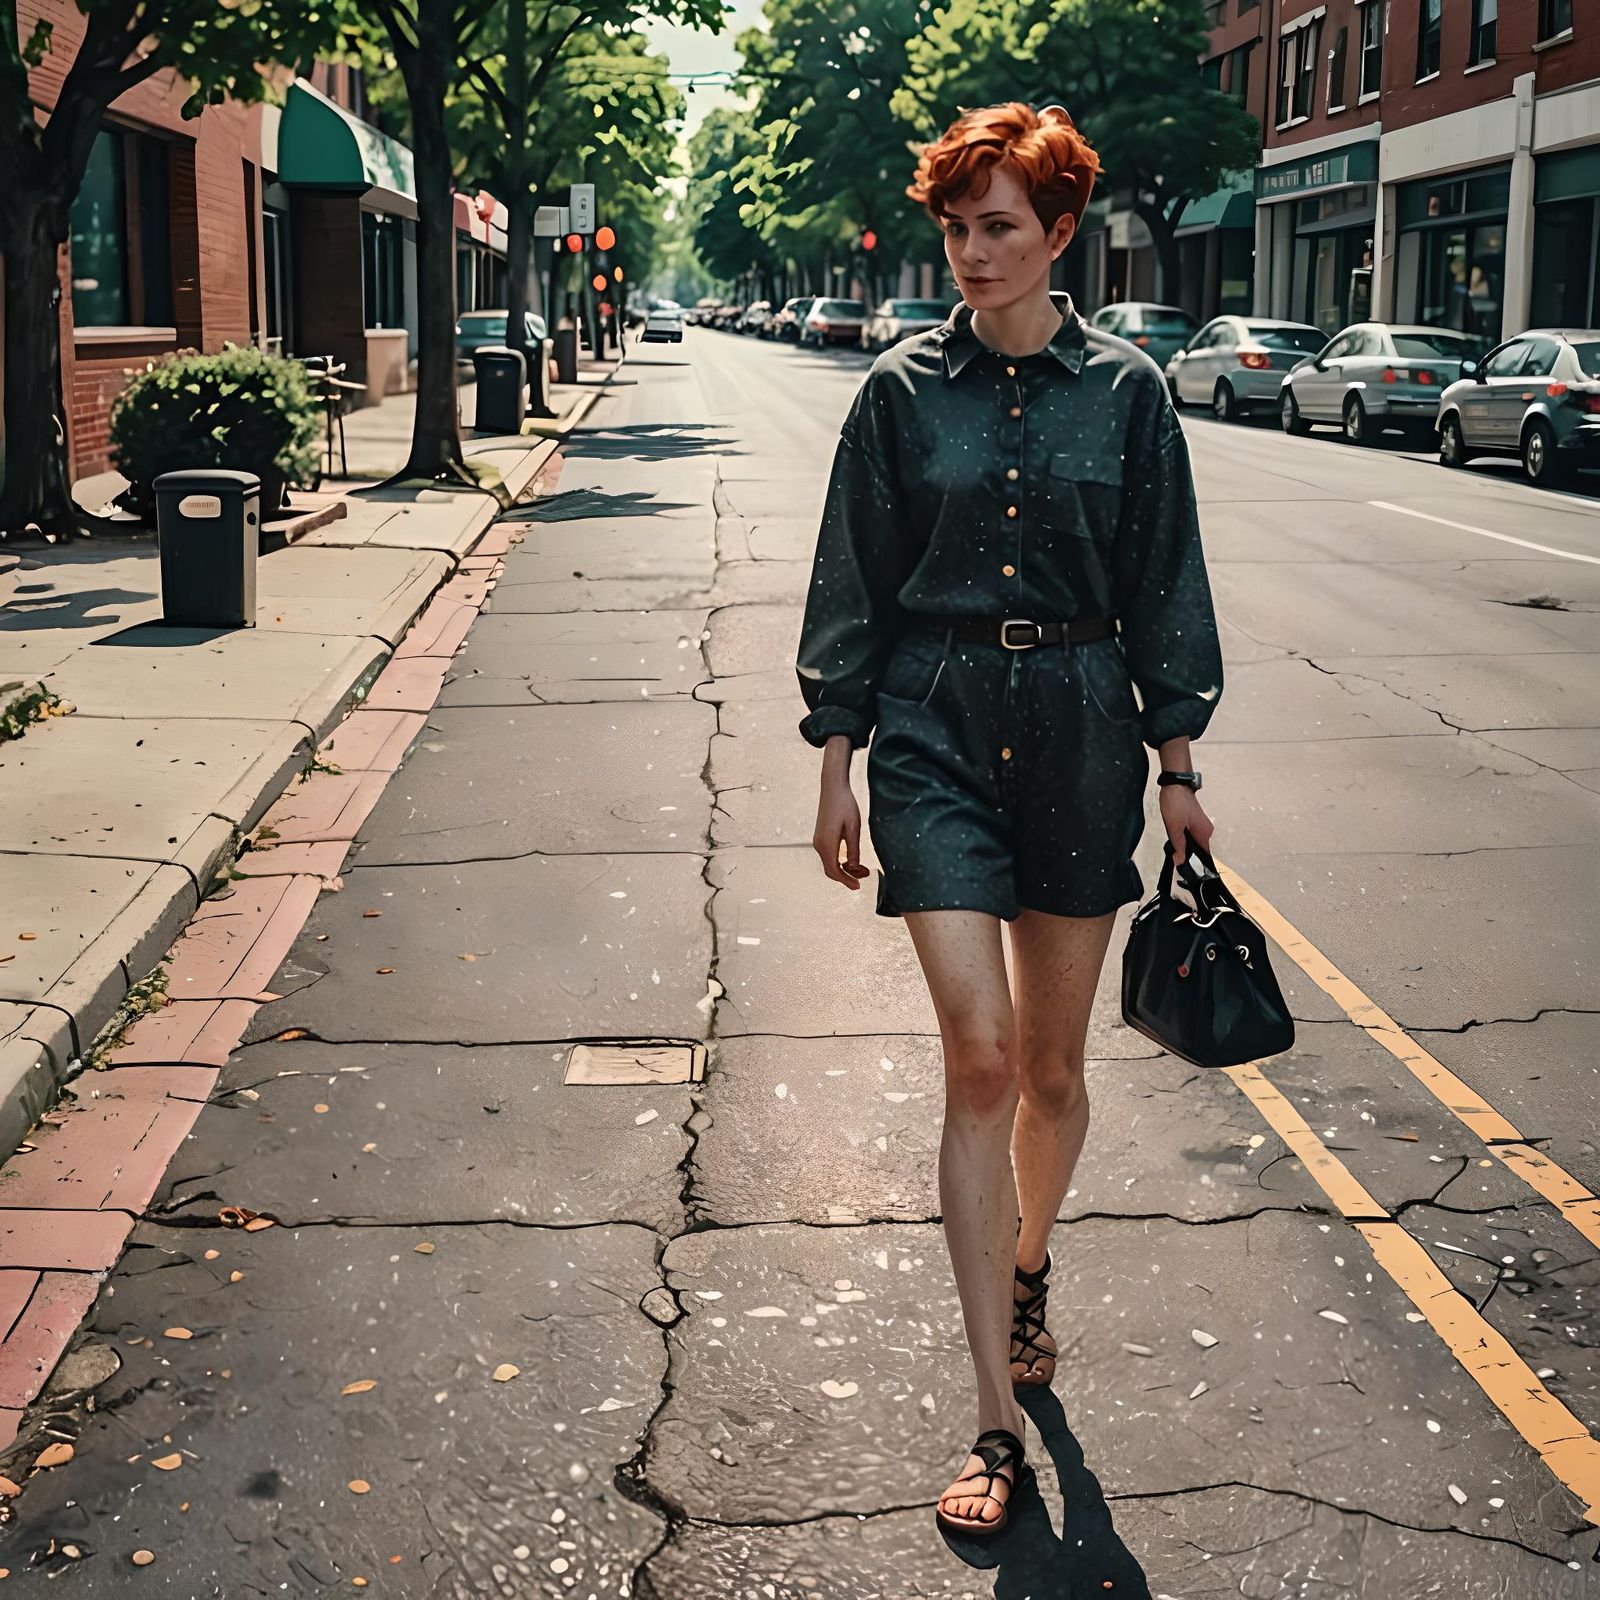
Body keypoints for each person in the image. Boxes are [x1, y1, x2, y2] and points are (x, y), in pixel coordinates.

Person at [794, 102, 1223, 1538]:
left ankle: (1030, 1265)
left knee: (1050, 1068)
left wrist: (1177, 764)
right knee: (977, 1061)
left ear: (1057, 234)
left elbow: (1167, 582)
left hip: (1088, 728)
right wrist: (837, 749)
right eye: (955, 228)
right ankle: (992, 1418)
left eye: (997, 229)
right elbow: (853, 578)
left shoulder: (1133, 394)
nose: (970, 255)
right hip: (930, 721)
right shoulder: (900, 395)